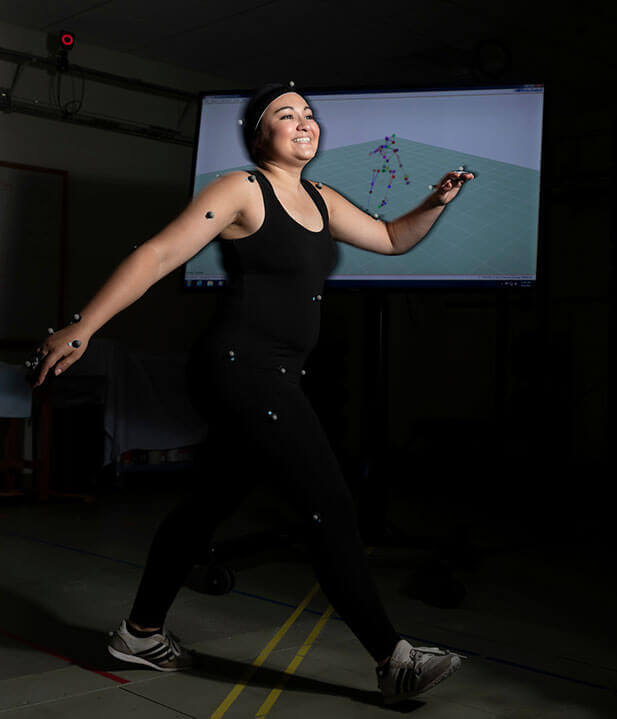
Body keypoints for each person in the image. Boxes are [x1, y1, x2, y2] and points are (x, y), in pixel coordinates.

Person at [29, 81, 474, 705]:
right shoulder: (243, 189)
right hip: (240, 370)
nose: (304, 122)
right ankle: (392, 657)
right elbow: (159, 253)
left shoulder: (320, 198)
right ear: (258, 135)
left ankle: (139, 633)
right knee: (329, 503)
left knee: (207, 505)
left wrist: (435, 200)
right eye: (285, 115)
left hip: (277, 376)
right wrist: (85, 325)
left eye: (309, 115)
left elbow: (392, 238)